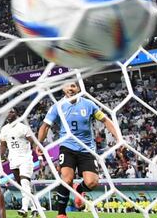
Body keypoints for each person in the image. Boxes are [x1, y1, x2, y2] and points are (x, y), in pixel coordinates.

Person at [36, 81, 125, 218]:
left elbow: (106, 121)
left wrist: (119, 138)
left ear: (78, 88)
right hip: (67, 147)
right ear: (63, 88)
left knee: (92, 182)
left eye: (73, 86)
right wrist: (39, 144)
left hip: (87, 149)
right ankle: (61, 214)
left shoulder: (89, 105)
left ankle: (79, 189)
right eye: (67, 86)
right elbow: (45, 126)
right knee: (67, 179)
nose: (70, 88)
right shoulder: (57, 107)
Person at [0, 108, 47, 218]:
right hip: (13, 160)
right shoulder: (4, 129)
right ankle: (35, 208)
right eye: (7, 112)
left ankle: (24, 208)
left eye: (11, 112)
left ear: (17, 114)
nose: (9, 114)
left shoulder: (24, 128)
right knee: (23, 187)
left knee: (25, 183)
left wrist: (39, 157)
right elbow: (3, 145)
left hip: (26, 159)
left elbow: (33, 143)